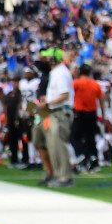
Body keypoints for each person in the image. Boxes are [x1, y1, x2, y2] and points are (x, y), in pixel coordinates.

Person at [38, 47, 75, 187]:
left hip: (60, 112)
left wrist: (47, 103)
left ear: (54, 58)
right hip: (54, 112)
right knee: (54, 146)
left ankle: (66, 178)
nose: (46, 60)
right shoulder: (56, 72)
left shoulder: (60, 73)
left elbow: (64, 95)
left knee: (59, 146)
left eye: (48, 57)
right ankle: (59, 175)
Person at [72, 64, 106, 172]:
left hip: (79, 113)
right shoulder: (95, 84)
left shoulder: (76, 83)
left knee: (76, 137)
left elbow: (70, 96)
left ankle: (86, 155)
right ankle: (94, 162)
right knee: (90, 138)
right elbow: (101, 100)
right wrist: (103, 114)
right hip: (92, 113)